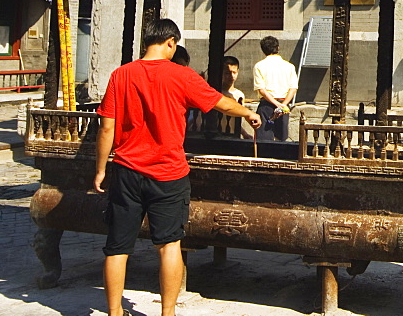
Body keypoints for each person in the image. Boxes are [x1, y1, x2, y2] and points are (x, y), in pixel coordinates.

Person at [93, 19, 260, 316]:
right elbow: (220, 103)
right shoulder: (181, 75)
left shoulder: (121, 75)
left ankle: (114, 312)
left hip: (127, 170)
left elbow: (107, 127)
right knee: (169, 245)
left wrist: (101, 169)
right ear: (170, 42)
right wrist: (248, 112)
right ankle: (167, 312)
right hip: (169, 172)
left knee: (117, 246)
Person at [253, 36, 298, 141]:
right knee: (281, 139)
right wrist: (283, 105)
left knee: (264, 138)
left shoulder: (259, 66)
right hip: (283, 105)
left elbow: (262, 90)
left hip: (266, 105)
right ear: (278, 48)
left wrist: (276, 104)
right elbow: (293, 88)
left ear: (263, 50)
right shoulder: (289, 66)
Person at [222, 55, 252, 139]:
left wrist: (244, 134)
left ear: (238, 72)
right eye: (227, 73)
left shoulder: (239, 95)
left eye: (234, 73)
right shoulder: (216, 92)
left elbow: (237, 120)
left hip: (233, 136)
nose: (231, 76)